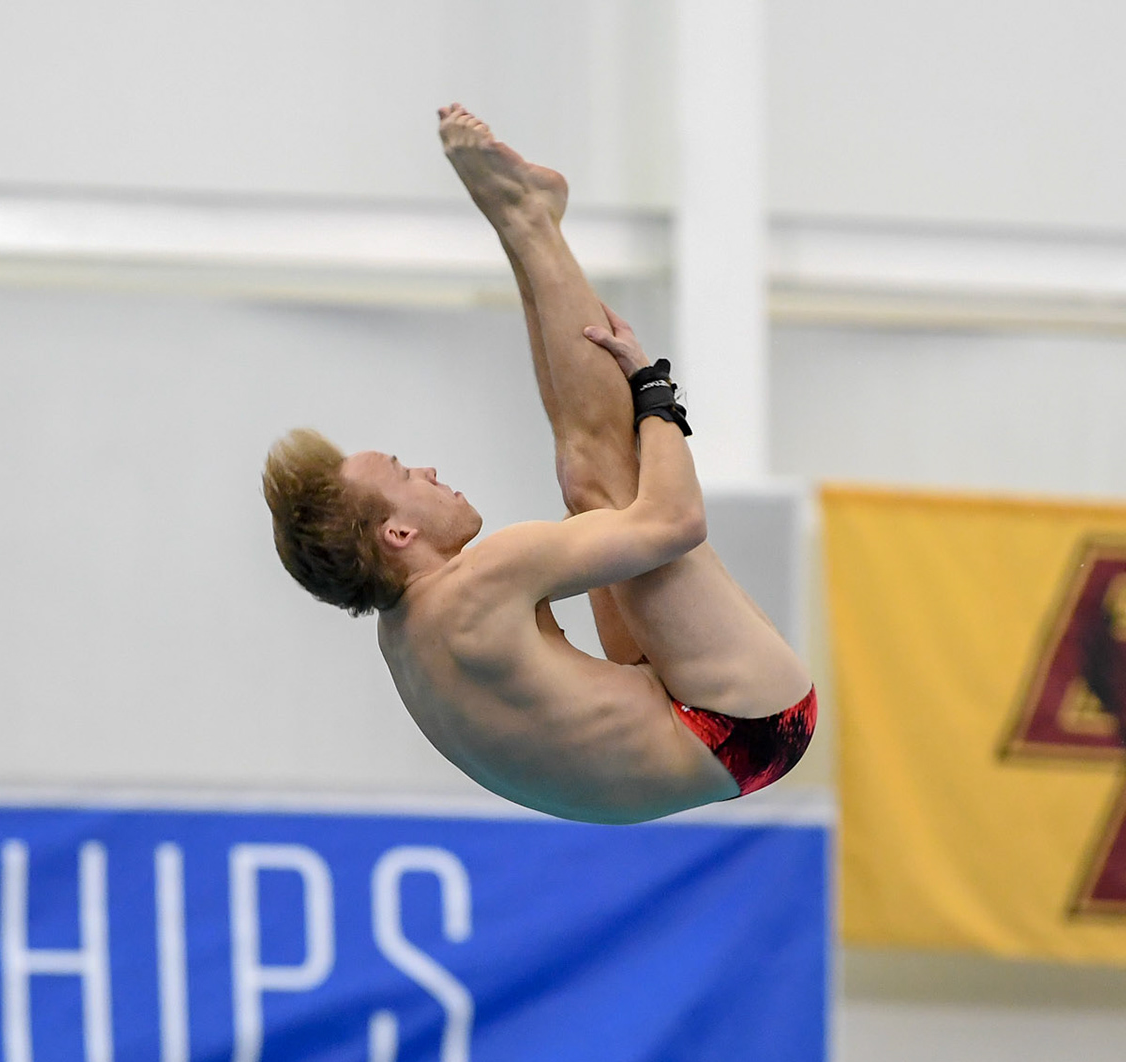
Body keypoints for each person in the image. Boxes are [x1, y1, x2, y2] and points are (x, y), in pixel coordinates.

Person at [262, 105, 814, 823]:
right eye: (404, 474)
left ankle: (526, 224)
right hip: (748, 722)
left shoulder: (403, 639)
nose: (427, 471)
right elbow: (677, 520)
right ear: (397, 535)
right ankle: (526, 219)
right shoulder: (481, 582)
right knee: (606, 475)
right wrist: (654, 391)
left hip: (685, 743)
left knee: (589, 486)